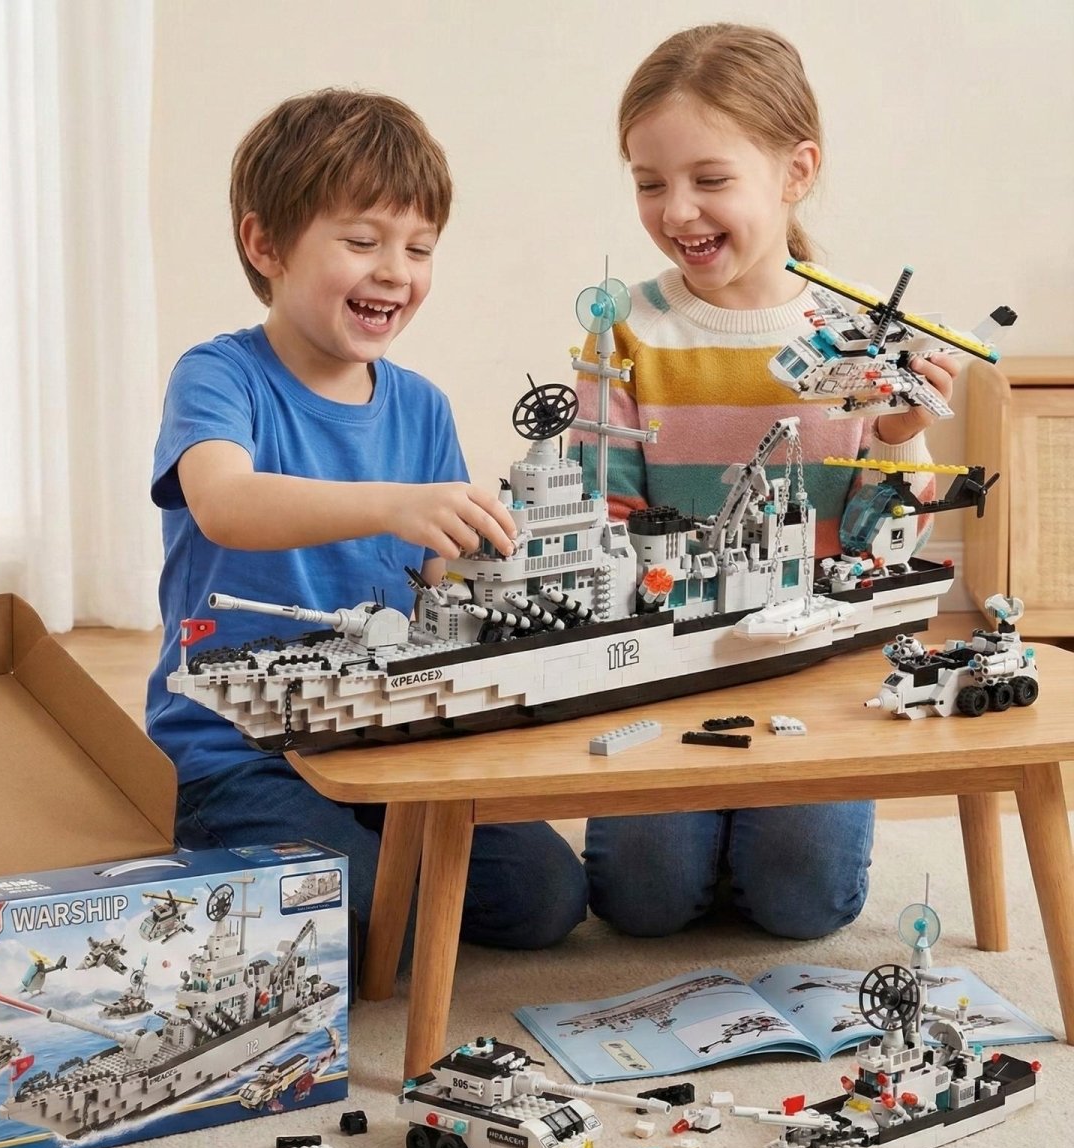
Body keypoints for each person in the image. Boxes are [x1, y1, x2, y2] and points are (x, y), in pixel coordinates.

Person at [145, 89, 588, 953]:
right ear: (265, 245)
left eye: (419, 249)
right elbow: (225, 503)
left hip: (386, 737)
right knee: (369, 923)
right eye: (362, 242)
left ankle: (361, 867)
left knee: (546, 898)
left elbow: (444, 578)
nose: (395, 271)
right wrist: (397, 504)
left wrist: (507, 566)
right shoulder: (220, 377)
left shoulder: (422, 407)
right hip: (239, 751)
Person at [572, 24, 959, 940]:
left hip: (818, 661)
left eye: (710, 180)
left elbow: (884, 545)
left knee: (802, 903)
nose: (678, 211)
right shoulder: (625, 331)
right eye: (650, 183)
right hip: (671, 664)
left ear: (796, 171)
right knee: (641, 902)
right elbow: (604, 513)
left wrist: (898, 437)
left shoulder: (857, 333)